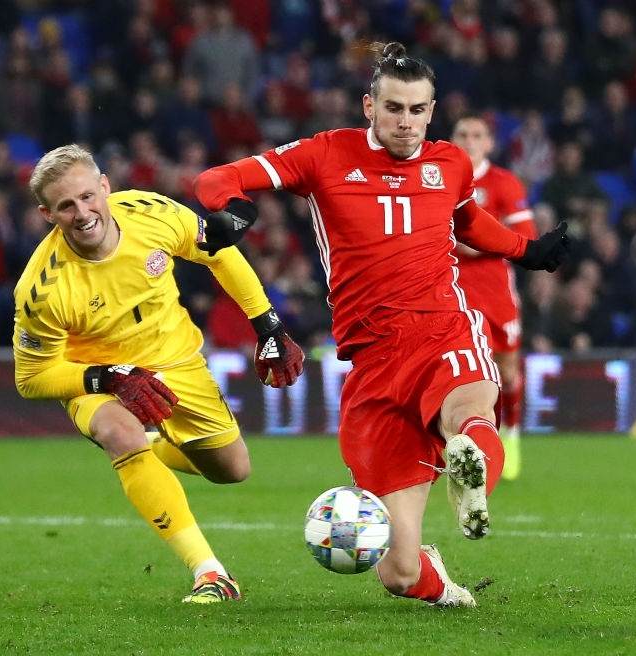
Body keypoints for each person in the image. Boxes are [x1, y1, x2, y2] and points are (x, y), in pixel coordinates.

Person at [194, 43, 569, 607]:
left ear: (432, 110)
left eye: (418, 110)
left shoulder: (449, 163)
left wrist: (526, 250)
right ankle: (441, 584)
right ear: (368, 105)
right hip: (371, 360)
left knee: (468, 411)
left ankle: (471, 476)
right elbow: (217, 177)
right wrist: (232, 206)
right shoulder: (326, 154)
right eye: (394, 108)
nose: (406, 122)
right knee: (396, 571)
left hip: (442, 324)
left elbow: (466, 218)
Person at [12, 144, 304, 604]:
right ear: (48, 214)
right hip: (101, 377)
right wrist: (105, 377)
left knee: (232, 469)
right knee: (119, 433)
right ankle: (210, 573)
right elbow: (31, 378)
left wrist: (268, 324)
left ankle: (149, 450)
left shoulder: (151, 212)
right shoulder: (41, 289)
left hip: (176, 361)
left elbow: (218, 252)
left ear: (105, 187)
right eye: (66, 206)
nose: (83, 213)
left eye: (88, 196)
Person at [450, 115, 538, 481]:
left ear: (489, 143)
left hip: (496, 293)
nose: (469, 141)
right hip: (451, 292)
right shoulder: (437, 178)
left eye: (477, 135)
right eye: (463, 135)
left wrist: (474, 243)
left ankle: (512, 433)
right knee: (456, 373)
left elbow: (527, 236)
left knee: (507, 371)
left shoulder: (503, 182)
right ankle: (463, 448)